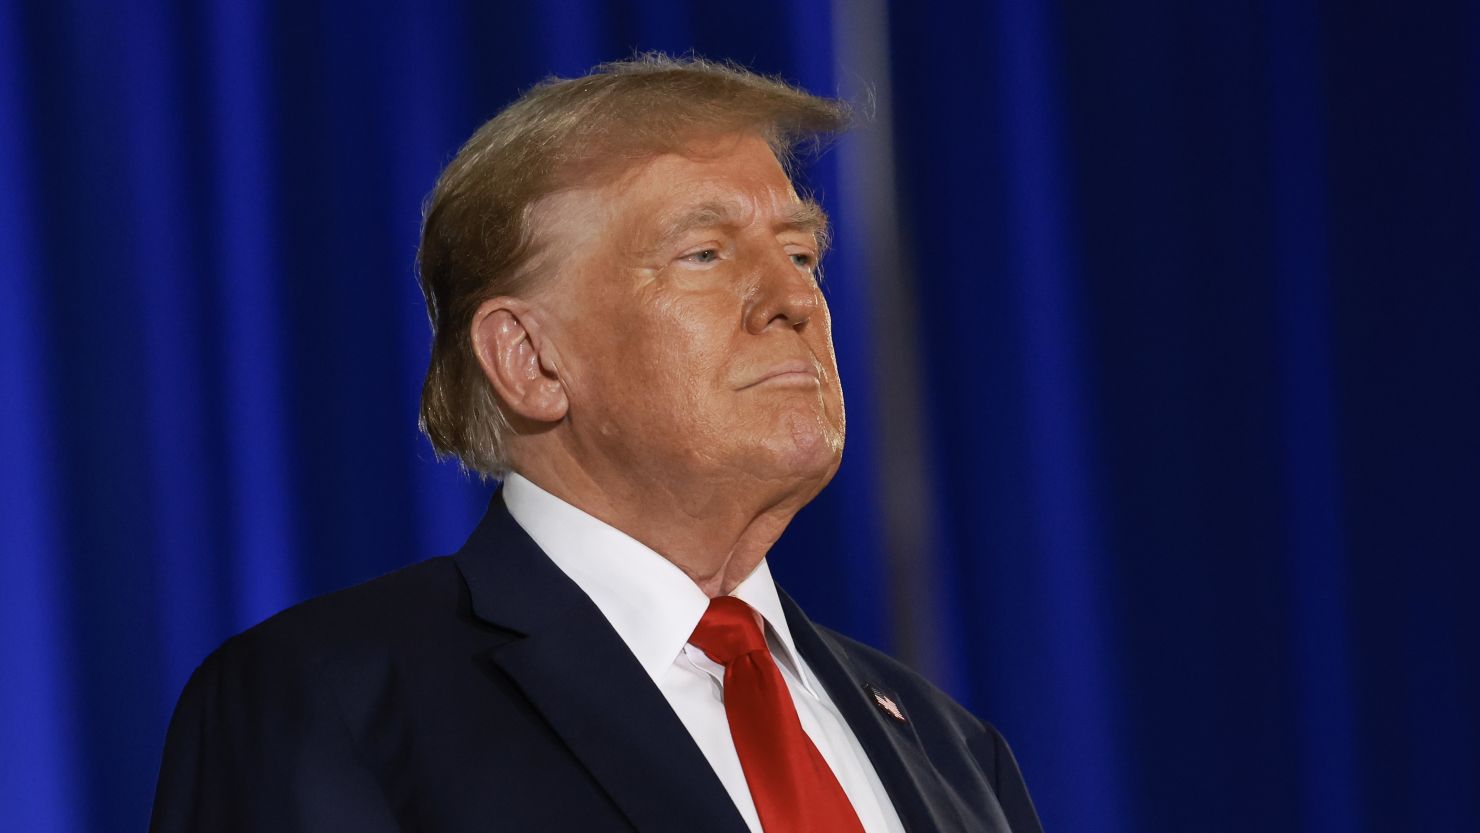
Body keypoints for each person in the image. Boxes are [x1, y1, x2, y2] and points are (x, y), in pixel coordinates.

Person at [150, 55, 1044, 833]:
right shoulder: (334, 705)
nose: (796, 300)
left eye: (802, 254)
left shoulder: (953, 749)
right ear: (531, 358)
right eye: (705, 253)